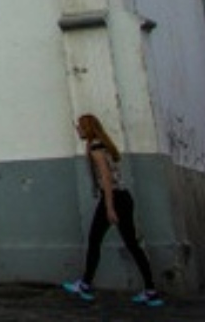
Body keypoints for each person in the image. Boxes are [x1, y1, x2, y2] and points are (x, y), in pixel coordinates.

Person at [62, 113, 163, 308]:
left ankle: (85, 285)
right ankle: (151, 291)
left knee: (95, 240)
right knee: (132, 244)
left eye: (80, 127)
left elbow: (106, 178)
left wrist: (109, 207)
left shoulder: (95, 148)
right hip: (123, 197)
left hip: (114, 198)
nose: (77, 130)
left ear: (87, 128)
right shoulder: (103, 144)